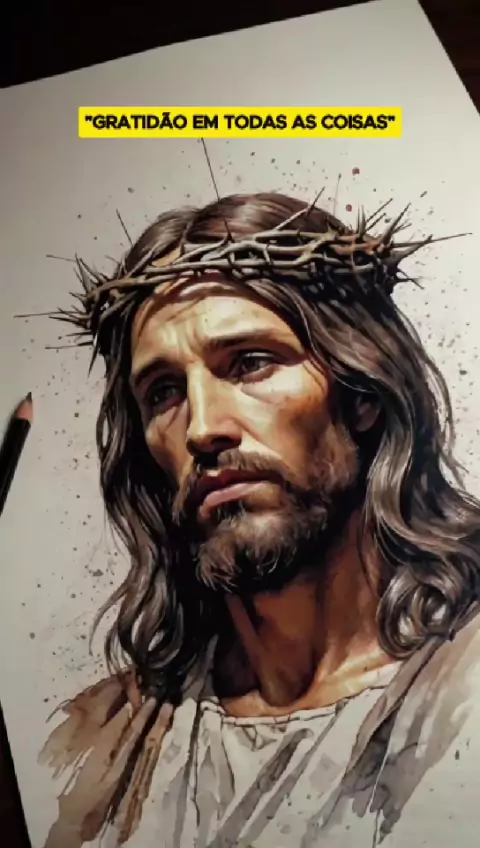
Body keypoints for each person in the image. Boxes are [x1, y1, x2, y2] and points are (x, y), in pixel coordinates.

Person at [40, 192, 480, 848]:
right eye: (163, 392)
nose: (202, 427)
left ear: (361, 392)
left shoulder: (464, 687)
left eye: (250, 363)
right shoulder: (98, 744)